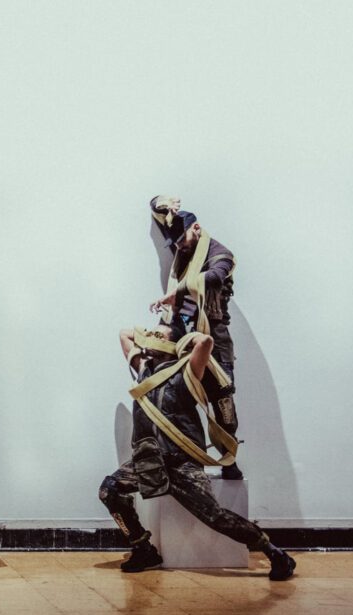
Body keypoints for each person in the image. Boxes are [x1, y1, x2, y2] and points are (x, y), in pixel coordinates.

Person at [98, 326, 295, 580]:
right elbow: (124, 334)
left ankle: (274, 552)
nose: (153, 336)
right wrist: (148, 335)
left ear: (175, 345)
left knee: (215, 516)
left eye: (160, 335)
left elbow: (206, 341)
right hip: (148, 461)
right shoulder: (143, 371)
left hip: (182, 463)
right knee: (109, 489)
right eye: (152, 333)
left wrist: (182, 341)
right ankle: (143, 548)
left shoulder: (187, 373)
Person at [148, 195, 243, 479]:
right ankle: (183, 458)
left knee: (222, 396)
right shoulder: (183, 241)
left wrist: (174, 292)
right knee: (173, 393)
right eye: (175, 242)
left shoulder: (220, 253)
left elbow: (214, 278)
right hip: (181, 330)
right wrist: (164, 204)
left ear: (197, 228)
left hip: (213, 332)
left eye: (183, 239)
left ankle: (230, 459)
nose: (179, 246)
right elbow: (154, 208)